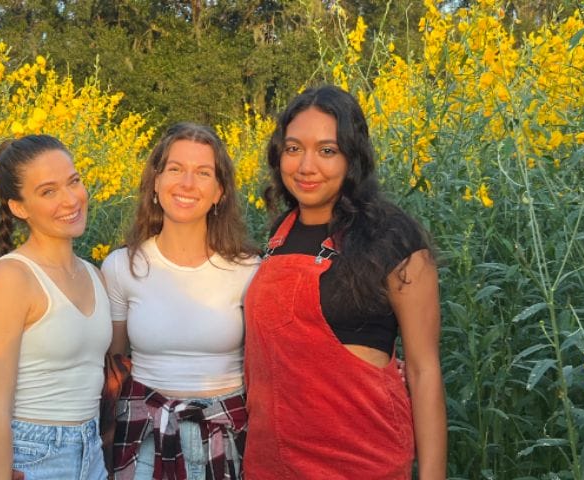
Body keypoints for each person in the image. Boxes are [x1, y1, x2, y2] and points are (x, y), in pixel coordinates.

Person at [243, 85, 447, 479]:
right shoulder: (277, 237)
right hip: (272, 464)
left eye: (326, 151)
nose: (305, 167)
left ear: (353, 157)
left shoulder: (394, 240)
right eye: (293, 148)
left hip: (363, 463)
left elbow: (424, 371)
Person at [101, 123, 261, 480]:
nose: (187, 184)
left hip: (227, 435)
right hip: (142, 435)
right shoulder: (121, 267)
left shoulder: (249, 270)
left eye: (203, 173)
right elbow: (112, 362)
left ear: (220, 191)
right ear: (155, 182)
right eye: (175, 169)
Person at [0, 135, 111, 480]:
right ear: (19, 208)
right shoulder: (12, 277)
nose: (71, 200)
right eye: (49, 191)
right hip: (32, 456)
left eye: (74, 181)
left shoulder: (95, 275)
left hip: (91, 452)